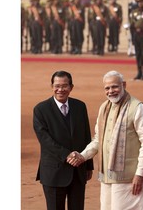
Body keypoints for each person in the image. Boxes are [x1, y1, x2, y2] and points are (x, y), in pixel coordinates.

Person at [67, 70, 143, 210]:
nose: (111, 91)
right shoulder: (104, 107)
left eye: (114, 86)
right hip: (107, 177)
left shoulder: (137, 108)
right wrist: (82, 156)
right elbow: (98, 139)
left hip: (129, 178)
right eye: (107, 88)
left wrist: (139, 174)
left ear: (124, 85)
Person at [33, 71, 94, 210]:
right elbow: (45, 139)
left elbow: (86, 136)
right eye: (57, 86)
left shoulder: (80, 106)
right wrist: (67, 155)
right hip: (53, 172)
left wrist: (88, 164)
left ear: (71, 87)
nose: (60, 89)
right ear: (52, 86)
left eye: (64, 86)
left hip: (78, 170)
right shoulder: (41, 109)